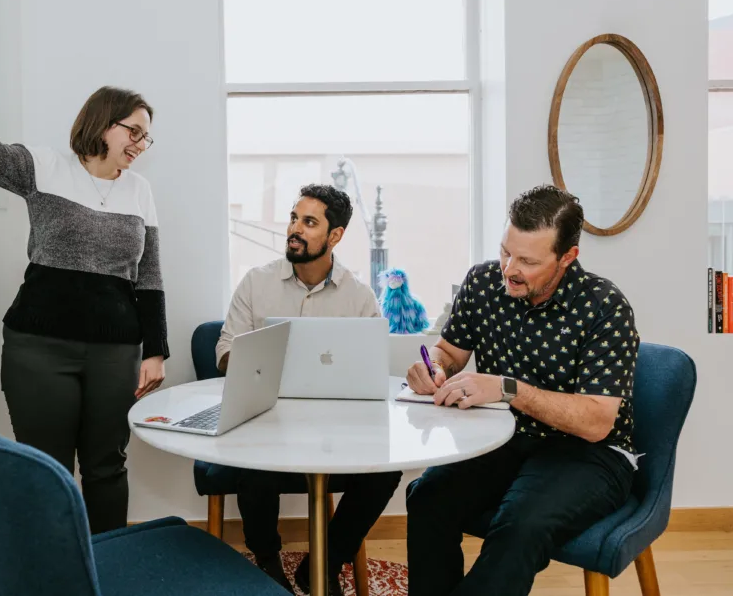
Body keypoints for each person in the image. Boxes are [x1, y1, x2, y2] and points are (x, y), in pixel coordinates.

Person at [0, 50, 168, 534]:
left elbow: (149, 276)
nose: (141, 144)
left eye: (146, 136)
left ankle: (105, 571)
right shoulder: (45, 167)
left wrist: (156, 350)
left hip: (116, 351)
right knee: (46, 470)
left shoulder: (140, 191)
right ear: (103, 123)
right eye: (134, 131)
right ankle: (51, 575)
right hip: (39, 349)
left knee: (107, 467)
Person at [404, 185, 639, 596]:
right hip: (504, 439)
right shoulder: (482, 283)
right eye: (505, 252)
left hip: (589, 454)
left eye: (528, 261)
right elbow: (448, 352)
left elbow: (597, 423)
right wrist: (433, 367)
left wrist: (509, 390)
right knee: (427, 498)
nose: (509, 268)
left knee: (520, 525)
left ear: (567, 257)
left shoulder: (605, 305)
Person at [216, 184, 402, 595]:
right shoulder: (256, 282)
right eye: (293, 218)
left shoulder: (359, 296)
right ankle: (267, 561)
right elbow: (225, 352)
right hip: (267, 419)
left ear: (335, 236)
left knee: (386, 471)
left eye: (309, 222)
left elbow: (371, 370)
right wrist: (254, 357)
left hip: (335, 428)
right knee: (253, 463)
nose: (294, 229)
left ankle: (326, 562)